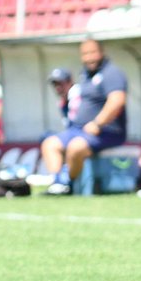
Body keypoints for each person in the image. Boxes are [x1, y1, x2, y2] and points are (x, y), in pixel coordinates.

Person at [41, 39, 127, 195]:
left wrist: (98, 124)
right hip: (79, 130)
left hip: (106, 131)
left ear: (102, 52)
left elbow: (117, 101)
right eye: (85, 54)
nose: (89, 57)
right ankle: (57, 183)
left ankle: (68, 184)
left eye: (92, 52)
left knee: (75, 147)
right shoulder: (85, 75)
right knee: (50, 144)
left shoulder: (111, 73)